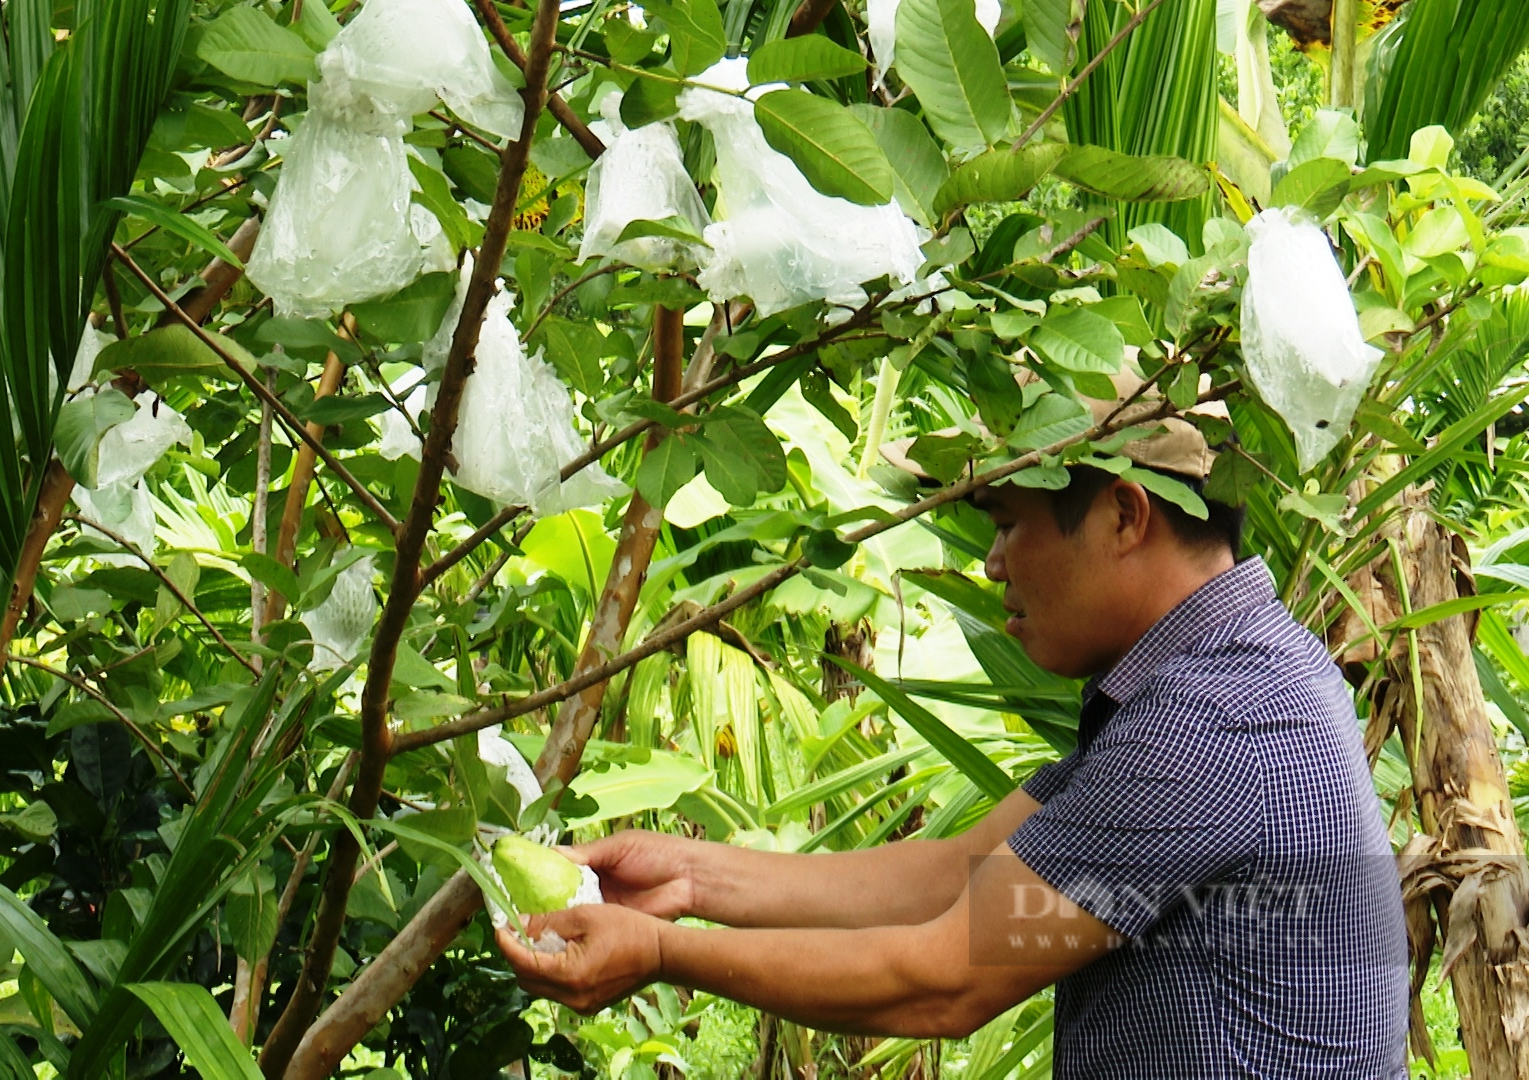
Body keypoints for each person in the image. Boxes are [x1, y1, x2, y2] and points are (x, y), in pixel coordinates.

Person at [497, 374, 1411, 1077]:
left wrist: (660, 953)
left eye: (1010, 526)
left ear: (1125, 516)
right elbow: (957, 874)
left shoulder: (1215, 720)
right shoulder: (1227, 670)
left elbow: (946, 976)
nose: (994, 565)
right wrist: (690, 877)